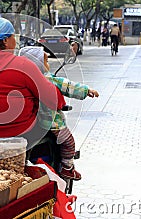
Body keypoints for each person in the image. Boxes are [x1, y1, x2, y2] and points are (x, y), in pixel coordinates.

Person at [0, 17, 66, 144]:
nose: (15, 41)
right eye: (13, 36)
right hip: (18, 132)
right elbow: (53, 99)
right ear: (5, 41)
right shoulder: (23, 65)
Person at [18, 46, 99, 180]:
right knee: (69, 142)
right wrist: (86, 90)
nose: (48, 64)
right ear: (37, 64)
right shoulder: (46, 79)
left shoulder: (22, 79)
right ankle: (67, 167)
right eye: (45, 61)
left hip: (29, 124)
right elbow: (68, 86)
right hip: (52, 124)